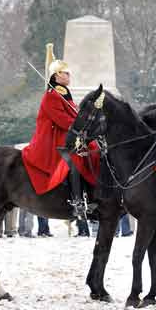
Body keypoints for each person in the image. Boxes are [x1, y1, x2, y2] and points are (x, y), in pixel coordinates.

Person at [22, 43, 99, 218]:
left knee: (94, 150)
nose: (69, 75)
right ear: (57, 75)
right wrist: (81, 127)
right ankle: (77, 200)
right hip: (53, 139)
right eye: (66, 73)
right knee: (75, 159)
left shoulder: (64, 93)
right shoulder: (52, 95)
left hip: (68, 135)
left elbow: (73, 115)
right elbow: (62, 120)